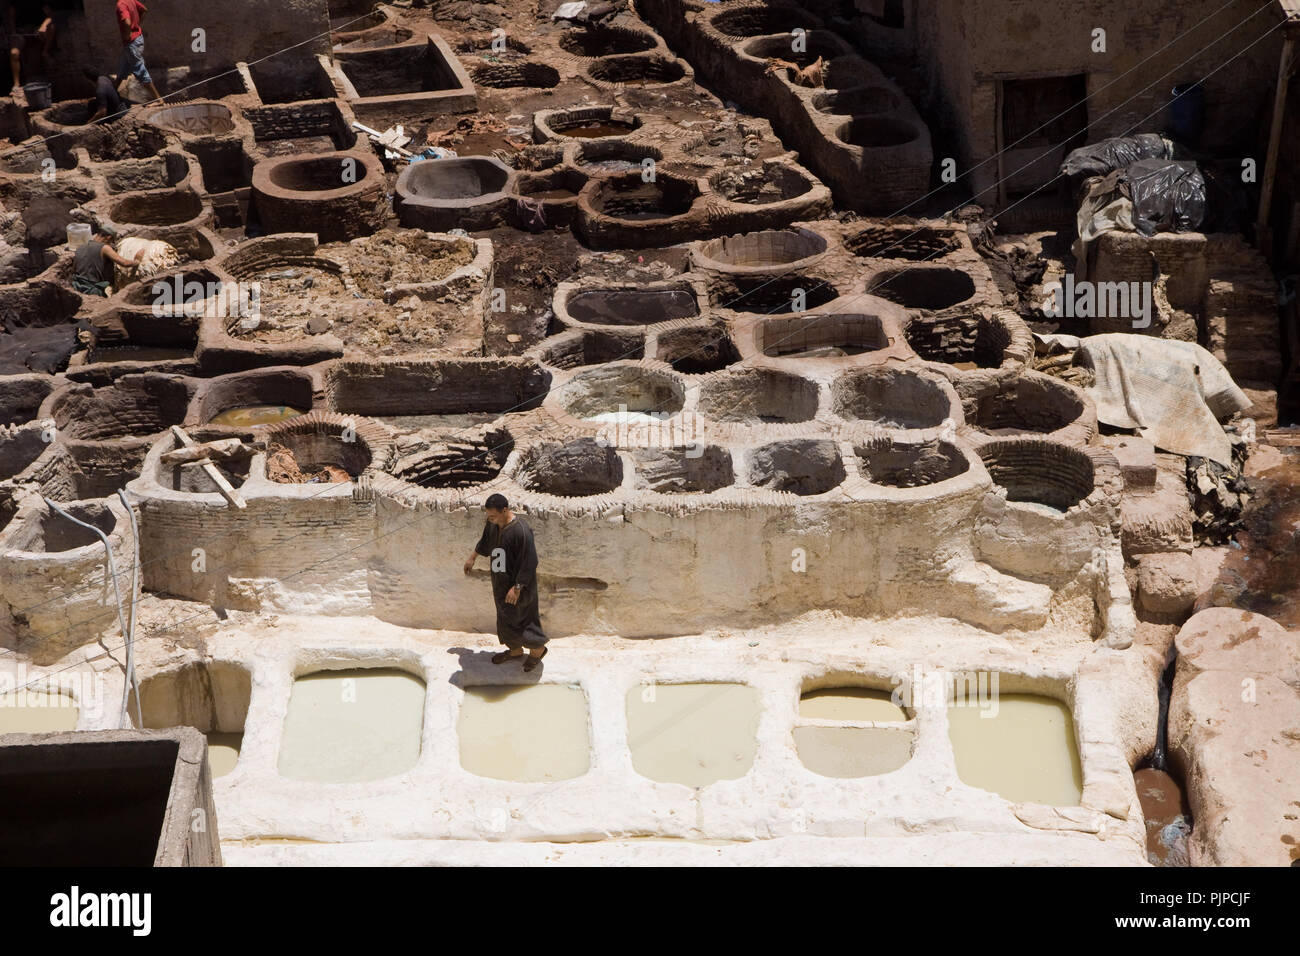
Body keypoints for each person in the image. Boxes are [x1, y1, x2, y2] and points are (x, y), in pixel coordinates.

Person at [463, 493, 549, 671]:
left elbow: (530, 561)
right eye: (489, 515)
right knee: (505, 618)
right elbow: (485, 541)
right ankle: (515, 651)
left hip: (519, 587)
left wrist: (517, 588)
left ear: (505, 510)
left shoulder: (521, 531)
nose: (490, 519)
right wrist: (473, 557)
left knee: (525, 620)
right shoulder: (493, 524)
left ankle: (537, 651)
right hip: (500, 582)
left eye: (493, 515)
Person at [73, 225, 143, 297]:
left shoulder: (81, 247)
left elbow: (74, 268)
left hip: (77, 286)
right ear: (108, 237)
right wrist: (136, 261)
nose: (110, 244)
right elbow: (124, 263)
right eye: (111, 241)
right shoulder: (104, 248)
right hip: (92, 290)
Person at [115, 0, 160, 103]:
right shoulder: (130, 0)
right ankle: (113, 91)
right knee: (123, 67)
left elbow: (127, 22)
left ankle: (158, 100)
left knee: (140, 70)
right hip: (137, 39)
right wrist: (137, 24)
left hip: (131, 43)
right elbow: (144, 10)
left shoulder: (121, 4)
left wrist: (127, 35)